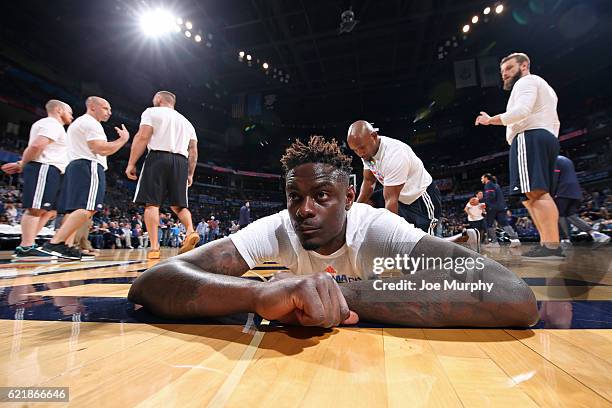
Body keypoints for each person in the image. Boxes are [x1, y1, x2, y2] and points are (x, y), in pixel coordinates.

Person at [129, 136, 537, 328]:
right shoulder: (277, 227)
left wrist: (336, 292)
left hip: (390, 268)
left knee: (407, 265)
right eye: (295, 197)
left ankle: (448, 244)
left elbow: (516, 300)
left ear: (348, 199)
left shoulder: (377, 227)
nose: (304, 210)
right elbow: (151, 283)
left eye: (322, 196)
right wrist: (259, 294)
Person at [475, 52, 562, 258]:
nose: (504, 74)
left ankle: (551, 246)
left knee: (537, 194)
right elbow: (554, 121)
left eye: (509, 69)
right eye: (502, 71)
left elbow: (522, 111)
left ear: (524, 66)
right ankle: (547, 244)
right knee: (529, 197)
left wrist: (491, 120)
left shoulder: (526, 82)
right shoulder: (546, 88)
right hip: (544, 137)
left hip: (529, 137)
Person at [40, 97, 129, 259]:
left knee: (74, 209)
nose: (109, 112)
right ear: (93, 107)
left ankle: (66, 245)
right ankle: (56, 242)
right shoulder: (91, 123)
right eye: (105, 108)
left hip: (75, 166)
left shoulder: (79, 123)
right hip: (89, 165)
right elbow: (101, 148)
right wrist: (122, 140)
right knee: (88, 207)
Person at [125, 91, 199, 260]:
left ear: (159, 99)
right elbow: (193, 150)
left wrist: (131, 163)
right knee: (179, 205)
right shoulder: (187, 122)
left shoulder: (151, 112)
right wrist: (190, 173)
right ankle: (190, 231)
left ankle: (154, 247)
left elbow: (143, 136)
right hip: (180, 162)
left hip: (158, 158)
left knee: (152, 204)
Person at [1, 100, 73, 260]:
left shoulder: (55, 126)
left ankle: (29, 244)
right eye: (70, 112)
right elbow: (37, 146)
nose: (72, 117)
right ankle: (26, 246)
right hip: (43, 167)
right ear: (59, 110)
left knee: (46, 211)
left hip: (52, 170)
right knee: (35, 209)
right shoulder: (51, 123)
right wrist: (22, 163)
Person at [347, 120, 440, 234]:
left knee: (428, 242)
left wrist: (389, 234)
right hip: (400, 198)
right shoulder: (367, 153)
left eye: (361, 147)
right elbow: (369, 181)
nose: (359, 153)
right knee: (369, 202)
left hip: (420, 197)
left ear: (374, 136)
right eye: (355, 150)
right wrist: (353, 211)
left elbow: (391, 199)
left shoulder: (394, 155)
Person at [553, 155, 610, 245]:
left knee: (559, 215)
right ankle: (595, 234)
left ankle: (565, 240)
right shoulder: (567, 160)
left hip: (562, 190)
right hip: (576, 191)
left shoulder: (554, 160)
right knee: (570, 215)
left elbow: (555, 177)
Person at [480, 173, 521, 247]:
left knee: (489, 225)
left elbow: (490, 196)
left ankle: (494, 242)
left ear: (486, 178)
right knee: (505, 223)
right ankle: (515, 240)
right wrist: (506, 208)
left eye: (482, 178)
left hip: (492, 208)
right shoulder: (496, 185)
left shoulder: (488, 184)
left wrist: (483, 202)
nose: (481, 180)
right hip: (501, 208)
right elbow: (501, 198)